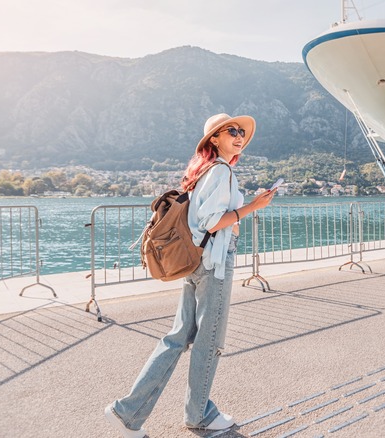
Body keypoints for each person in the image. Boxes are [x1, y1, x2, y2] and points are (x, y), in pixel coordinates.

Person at [105, 113, 276, 437]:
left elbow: (204, 220)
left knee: (177, 338)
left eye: (241, 132)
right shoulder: (222, 171)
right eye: (231, 131)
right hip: (213, 265)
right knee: (208, 342)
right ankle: (198, 414)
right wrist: (253, 206)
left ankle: (128, 413)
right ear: (214, 138)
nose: (239, 136)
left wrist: (235, 219)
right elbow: (212, 222)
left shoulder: (204, 172)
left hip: (195, 262)